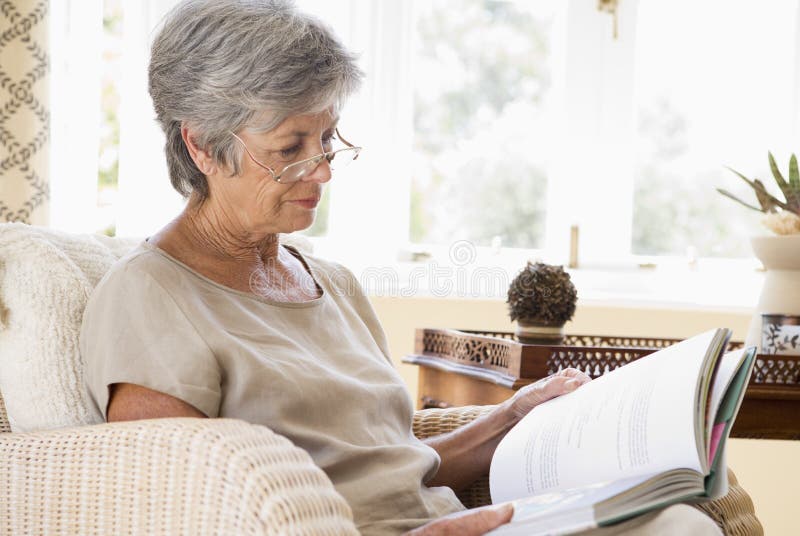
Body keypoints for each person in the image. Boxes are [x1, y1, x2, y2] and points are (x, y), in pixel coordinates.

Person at [80, 1, 721, 534]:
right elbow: (176, 509)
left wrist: (511, 418)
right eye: (291, 147)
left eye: (328, 140)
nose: (324, 169)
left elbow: (395, 467)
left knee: (680, 517)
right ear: (200, 144)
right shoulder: (149, 296)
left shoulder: (333, 284)